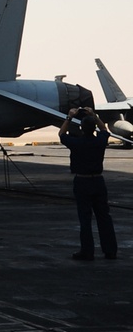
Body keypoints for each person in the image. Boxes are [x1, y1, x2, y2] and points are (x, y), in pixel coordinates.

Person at [59, 106, 118, 261]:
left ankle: (87, 251)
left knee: (85, 219)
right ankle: (110, 250)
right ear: (93, 129)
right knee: (104, 217)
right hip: (98, 181)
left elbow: (61, 134)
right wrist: (95, 115)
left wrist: (69, 117)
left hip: (82, 181)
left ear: (81, 129)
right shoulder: (100, 141)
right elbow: (104, 129)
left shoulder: (76, 143)